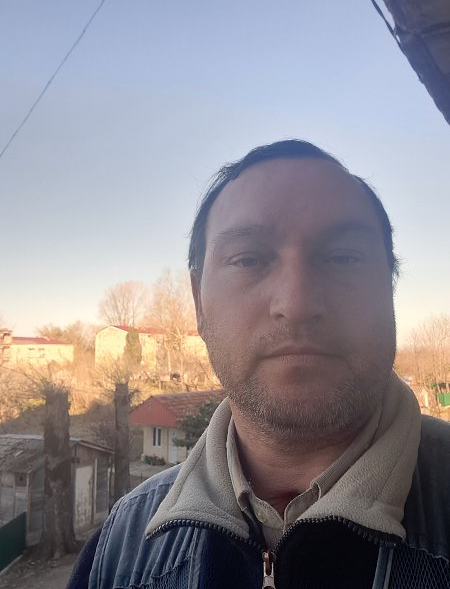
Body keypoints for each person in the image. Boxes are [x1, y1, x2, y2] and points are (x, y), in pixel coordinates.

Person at [68, 140, 450, 589]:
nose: (296, 304)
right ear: (199, 304)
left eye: (343, 257)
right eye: (249, 259)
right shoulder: (121, 548)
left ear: (389, 288)